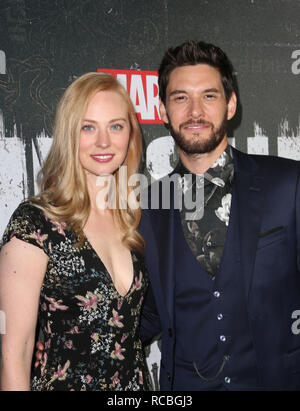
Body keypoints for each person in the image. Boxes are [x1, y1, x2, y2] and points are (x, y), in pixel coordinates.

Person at [139, 40, 300, 391]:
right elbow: (146, 311)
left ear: (230, 104)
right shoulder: (148, 205)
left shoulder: (289, 184)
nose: (195, 111)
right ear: (163, 110)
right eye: (180, 98)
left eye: (209, 96)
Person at [0, 72, 152, 391]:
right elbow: (15, 352)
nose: (103, 142)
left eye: (115, 126)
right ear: (69, 134)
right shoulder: (36, 222)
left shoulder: (134, 220)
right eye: (88, 127)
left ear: (130, 135)